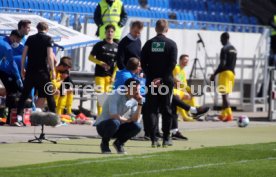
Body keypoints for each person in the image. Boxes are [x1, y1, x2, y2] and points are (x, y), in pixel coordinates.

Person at [140, 19, 177, 147]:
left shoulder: (149, 44)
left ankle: (154, 138)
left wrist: (152, 77)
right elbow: (172, 64)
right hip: (166, 81)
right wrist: (161, 78)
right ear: (167, 29)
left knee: (152, 110)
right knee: (166, 109)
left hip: (151, 81)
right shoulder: (171, 44)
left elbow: (143, 63)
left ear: (156, 29)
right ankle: (166, 138)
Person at [16, 22, 56, 126]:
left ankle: (19, 118)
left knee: (24, 95)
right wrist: (53, 70)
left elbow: (24, 55)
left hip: (30, 71)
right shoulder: (48, 39)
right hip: (42, 72)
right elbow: (50, 56)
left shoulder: (30, 38)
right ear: (46, 29)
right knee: (49, 95)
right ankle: (54, 119)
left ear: (37, 29)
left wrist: (22, 69)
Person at [94, 78, 142, 154]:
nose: (137, 92)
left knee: (137, 126)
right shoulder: (115, 94)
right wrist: (127, 120)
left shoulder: (134, 100)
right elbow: (113, 115)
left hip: (117, 126)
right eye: (135, 89)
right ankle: (104, 143)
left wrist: (140, 103)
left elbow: (135, 119)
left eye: (138, 89)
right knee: (115, 122)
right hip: (103, 126)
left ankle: (119, 143)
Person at [89, 24, 118, 116]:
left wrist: (113, 76)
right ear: (105, 33)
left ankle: (107, 115)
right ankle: (100, 116)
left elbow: (117, 64)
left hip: (110, 76)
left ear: (114, 33)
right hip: (99, 75)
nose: (110, 33)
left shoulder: (117, 46)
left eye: (111, 31)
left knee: (109, 97)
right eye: (108, 31)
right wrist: (100, 63)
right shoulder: (99, 45)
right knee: (101, 96)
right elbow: (90, 57)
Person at [210, 32, 237, 122]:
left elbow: (222, 64)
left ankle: (229, 115)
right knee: (226, 95)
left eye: (221, 39)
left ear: (225, 38)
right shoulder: (234, 49)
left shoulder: (224, 49)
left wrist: (214, 74)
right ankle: (224, 114)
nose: (220, 41)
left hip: (225, 73)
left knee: (224, 95)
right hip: (232, 73)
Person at [0, 30, 24, 125]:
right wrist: (18, 77)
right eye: (17, 41)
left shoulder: (2, 38)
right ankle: (10, 118)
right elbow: (12, 62)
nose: (17, 43)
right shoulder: (6, 46)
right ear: (13, 37)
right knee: (12, 91)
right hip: (5, 71)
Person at [173, 54, 199, 122]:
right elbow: (176, 81)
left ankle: (195, 114)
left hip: (179, 90)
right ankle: (184, 116)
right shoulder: (176, 68)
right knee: (179, 96)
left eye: (187, 60)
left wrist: (191, 90)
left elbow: (184, 84)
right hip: (173, 90)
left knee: (192, 96)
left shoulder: (183, 71)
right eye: (185, 59)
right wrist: (185, 91)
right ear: (180, 60)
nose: (186, 61)